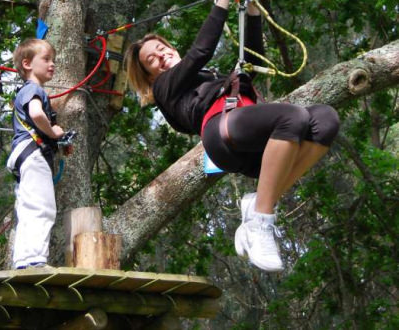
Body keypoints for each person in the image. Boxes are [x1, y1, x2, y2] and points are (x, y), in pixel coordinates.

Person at [124, 0, 339, 272]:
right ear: (150, 75)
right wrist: (221, 5)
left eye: (161, 49)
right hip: (221, 133)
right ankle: (262, 220)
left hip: (254, 144)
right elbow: (200, 51)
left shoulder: (210, 76)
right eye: (151, 60)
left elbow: (254, 60)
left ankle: (259, 202)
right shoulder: (165, 87)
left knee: (325, 119)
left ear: (172, 48)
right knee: (292, 116)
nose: (161, 57)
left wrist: (251, 11)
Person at [6, 38, 71, 269]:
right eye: (46, 59)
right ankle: (34, 260)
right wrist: (53, 132)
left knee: (28, 206)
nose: (52, 64)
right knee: (42, 206)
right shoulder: (34, 89)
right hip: (33, 154)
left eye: (53, 60)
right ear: (27, 64)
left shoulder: (26, 90)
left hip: (24, 154)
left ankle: (24, 260)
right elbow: (36, 114)